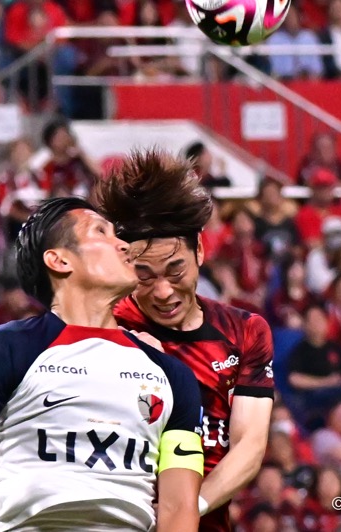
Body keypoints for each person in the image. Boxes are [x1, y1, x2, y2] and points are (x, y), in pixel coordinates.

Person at [0, 197, 204, 532]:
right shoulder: (9, 347)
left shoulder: (172, 374)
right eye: (101, 232)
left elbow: (179, 506)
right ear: (60, 260)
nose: (124, 245)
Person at [96, 149, 274, 532]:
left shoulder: (245, 331)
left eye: (175, 270)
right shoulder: (106, 327)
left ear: (200, 251)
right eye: (144, 275)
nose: (162, 292)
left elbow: (249, 445)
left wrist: (188, 509)